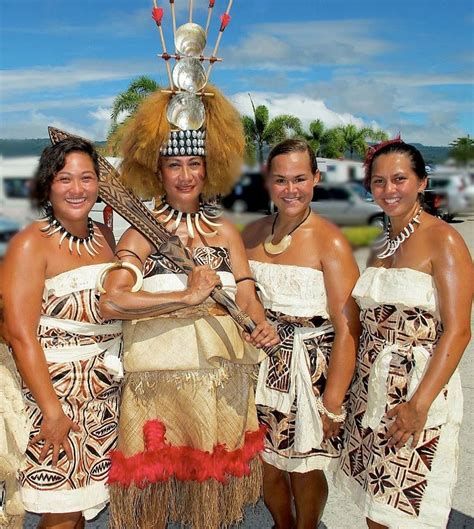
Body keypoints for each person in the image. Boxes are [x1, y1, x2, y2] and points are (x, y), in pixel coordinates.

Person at [98, 82, 279, 529]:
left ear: (207, 169)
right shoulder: (141, 232)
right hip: (155, 382)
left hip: (221, 378)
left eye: (193, 164)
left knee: (207, 496)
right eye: (173, 164)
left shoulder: (225, 234)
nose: (184, 175)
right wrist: (185, 297)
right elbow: (113, 301)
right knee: (154, 490)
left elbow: (246, 296)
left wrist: (261, 326)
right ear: (157, 172)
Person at [336, 139, 473, 528]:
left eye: (399, 179)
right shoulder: (382, 242)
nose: (389, 190)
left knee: (406, 510)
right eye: (379, 182)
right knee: (376, 505)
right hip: (370, 391)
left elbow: (458, 331)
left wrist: (419, 406)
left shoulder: (443, 239)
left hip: (415, 392)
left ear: (422, 182)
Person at [2, 137, 122, 529]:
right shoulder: (29, 245)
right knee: (60, 509)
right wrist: (52, 411)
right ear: (47, 185)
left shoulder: (105, 238)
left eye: (86, 178)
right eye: (65, 178)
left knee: (81, 503)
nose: (77, 189)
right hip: (53, 394)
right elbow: (21, 335)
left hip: (102, 395)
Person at [242, 138, 361, 529]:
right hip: (258, 369)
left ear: (316, 179)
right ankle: (282, 524)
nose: (290, 189)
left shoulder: (332, 241)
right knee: (265, 465)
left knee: (305, 468)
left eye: (299, 178)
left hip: (310, 373)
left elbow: (347, 329)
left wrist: (333, 400)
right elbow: (242, 295)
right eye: (280, 180)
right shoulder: (251, 234)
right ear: (268, 182)